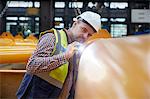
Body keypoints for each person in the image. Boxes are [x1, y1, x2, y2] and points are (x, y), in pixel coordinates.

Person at [16, 11, 101, 99]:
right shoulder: (52, 37)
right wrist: (64, 56)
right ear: (75, 23)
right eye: (83, 30)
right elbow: (32, 65)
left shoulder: (76, 49)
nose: (85, 36)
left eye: (89, 35)